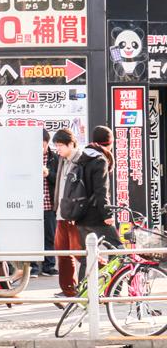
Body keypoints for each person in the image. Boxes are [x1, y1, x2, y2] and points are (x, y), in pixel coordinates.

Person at [75, 126, 121, 256]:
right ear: (109, 143)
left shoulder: (82, 158)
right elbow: (101, 190)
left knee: (88, 257)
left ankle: (89, 277)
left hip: (81, 216)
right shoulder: (100, 161)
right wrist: (107, 215)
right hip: (96, 216)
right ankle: (116, 277)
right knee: (119, 251)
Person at [50, 128, 84, 298]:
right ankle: (69, 290)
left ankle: (112, 277)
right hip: (61, 214)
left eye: (61, 145)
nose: (58, 149)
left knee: (79, 253)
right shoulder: (62, 160)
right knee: (62, 253)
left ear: (71, 144)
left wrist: (77, 212)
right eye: (56, 145)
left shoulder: (81, 160)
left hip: (74, 215)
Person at [32, 130, 59, 277]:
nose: (39, 148)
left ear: (47, 143)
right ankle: (33, 267)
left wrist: (48, 174)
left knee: (50, 236)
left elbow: (60, 180)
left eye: (41, 145)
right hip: (31, 205)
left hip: (49, 204)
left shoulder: (54, 158)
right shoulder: (28, 157)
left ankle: (49, 265)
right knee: (33, 237)